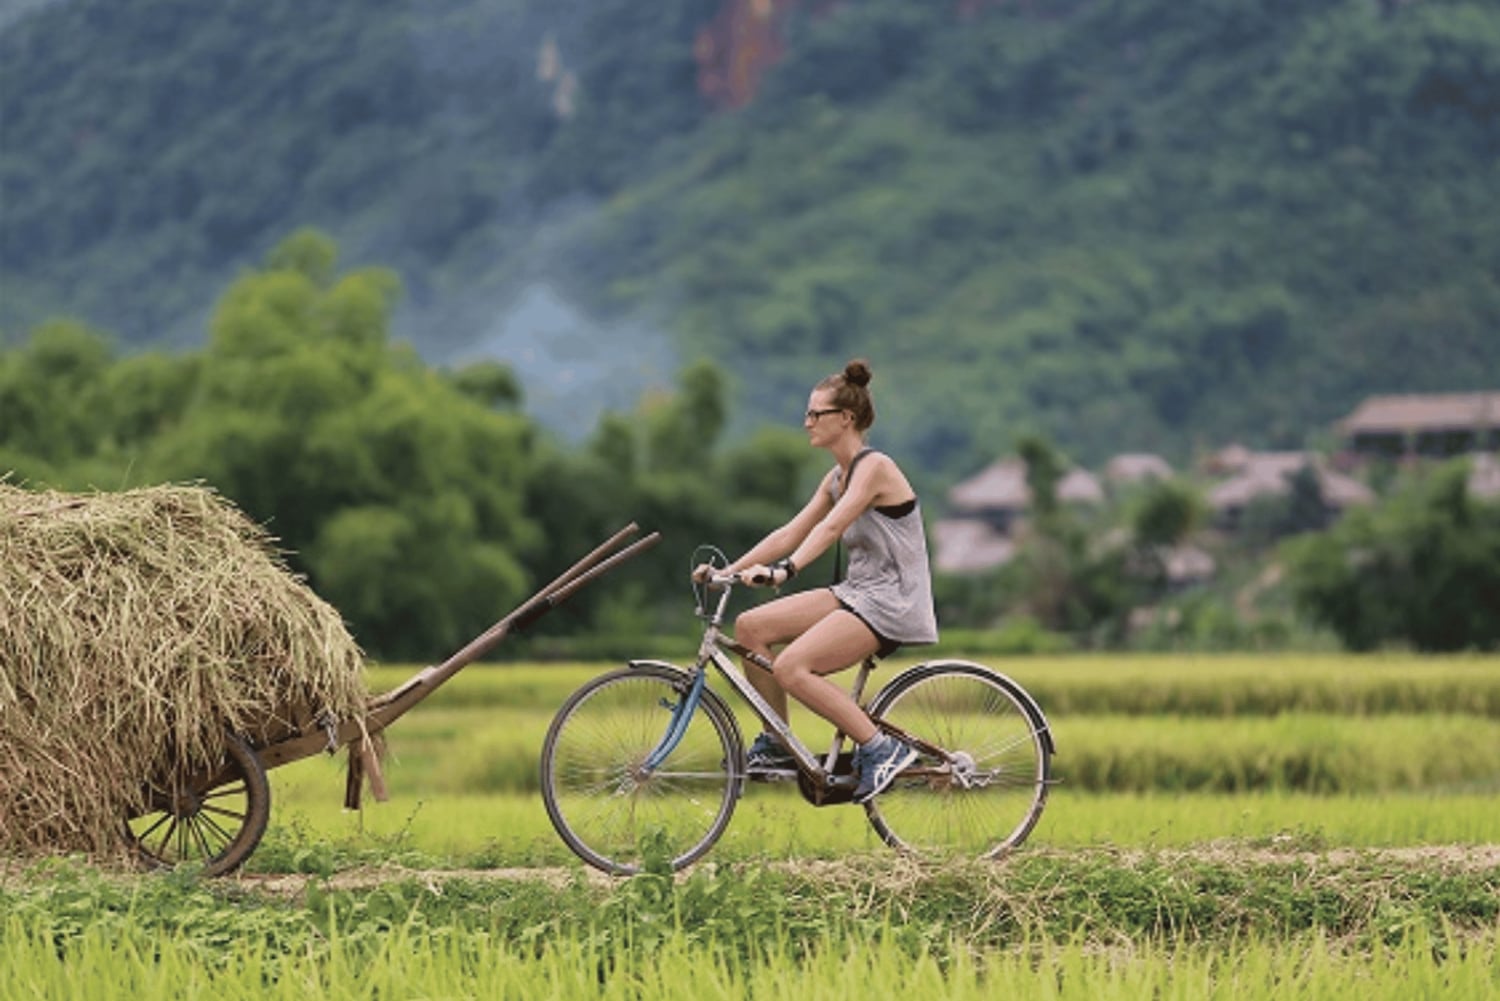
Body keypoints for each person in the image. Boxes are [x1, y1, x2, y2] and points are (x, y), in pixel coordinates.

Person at [694, 358, 938, 803]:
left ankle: (881, 748)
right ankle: (778, 743)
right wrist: (727, 572)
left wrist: (786, 570)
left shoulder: (875, 467)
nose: (806, 422)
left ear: (845, 419)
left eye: (815, 414)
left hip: (891, 601)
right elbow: (791, 531)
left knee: (791, 667)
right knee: (750, 627)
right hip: (857, 593)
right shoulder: (836, 477)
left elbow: (829, 530)